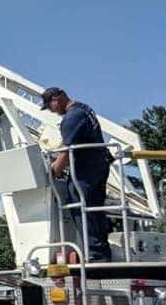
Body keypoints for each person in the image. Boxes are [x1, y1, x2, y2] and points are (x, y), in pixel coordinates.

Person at [41, 87, 113, 262]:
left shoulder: (71, 118)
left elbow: (67, 150)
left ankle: (95, 253)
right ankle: (101, 251)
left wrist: (53, 171)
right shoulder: (84, 110)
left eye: (50, 106)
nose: (51, 111)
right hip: (98, 165)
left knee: (80, 205)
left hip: (86, 170)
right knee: (95, 208)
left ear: (56, 98)